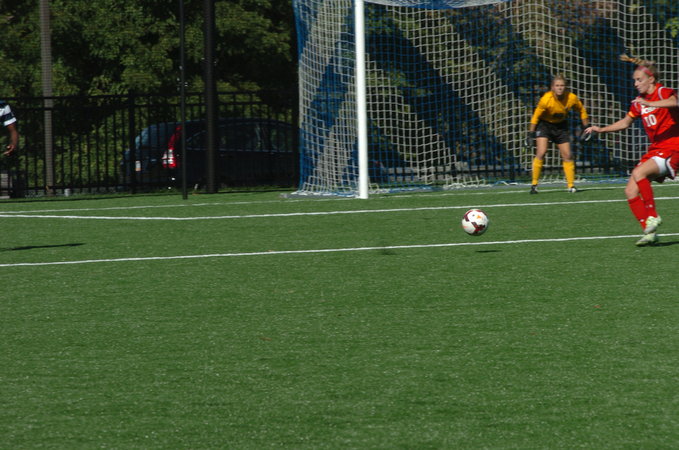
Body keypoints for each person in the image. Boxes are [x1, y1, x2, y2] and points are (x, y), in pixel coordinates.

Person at [584, 54, 679, 246]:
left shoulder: (662, 92)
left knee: (639, 173)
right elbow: (625, 122)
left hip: (673, 147)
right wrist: (601, 129)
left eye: (639, 80)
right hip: (656, 149)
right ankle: (649, 232)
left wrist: (650, 103)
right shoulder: (639, 101)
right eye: (634, 80)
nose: (635, 84)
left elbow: (675, 102)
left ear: (651, 79)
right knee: (630, 190)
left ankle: (652, 215)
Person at [527, 75, 589, 194]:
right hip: (545, 125)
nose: (560, 88)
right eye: (557, 86)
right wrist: (530, 134)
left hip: (561, 126)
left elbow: (582, 110)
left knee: (567, 155)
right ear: (552, 88)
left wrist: (586, 128)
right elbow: (535, 117)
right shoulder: (546, 99)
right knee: (541, 152)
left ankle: (571, 185)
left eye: (562, 85)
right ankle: (534, 184)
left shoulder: (571, 98)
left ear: (566, 87)